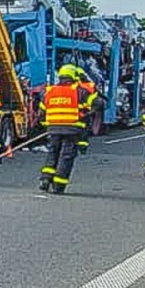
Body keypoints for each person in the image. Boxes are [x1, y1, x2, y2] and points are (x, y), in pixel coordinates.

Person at [37, 66, 91, 195]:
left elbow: (41, 113)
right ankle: (58, 185)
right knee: (66, 156)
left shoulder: (49, 91)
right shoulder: (79, 91)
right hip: (72, 130)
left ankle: (45, 179)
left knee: (52, 153)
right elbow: (90, 107)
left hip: (53, 129)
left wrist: (48, 126)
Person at [71, 65, 103, 154]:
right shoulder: (89, 86)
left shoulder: (70, 88)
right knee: (83, 130)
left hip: (72, 114)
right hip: (83, 113)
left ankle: (75, 145)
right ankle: (82, 148)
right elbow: (96, 99)